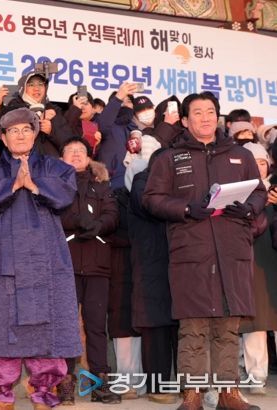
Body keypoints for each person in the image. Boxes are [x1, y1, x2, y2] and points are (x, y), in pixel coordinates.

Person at [143, 92, 266, 410]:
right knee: (193, 327)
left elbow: (259, 192)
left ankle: (229, 394)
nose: (205, 117)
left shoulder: (240, 155)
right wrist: (186, 208)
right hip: (191, 252)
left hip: (232, 251)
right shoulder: (169, 158)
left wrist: (249, 209)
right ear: (185, 120)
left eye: (210, 111)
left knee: (228, 327)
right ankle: (193, 394)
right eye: (197, 112)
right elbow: (152, 199)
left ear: (218, 117)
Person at [0, 108, 81, 410]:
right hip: (2, 260)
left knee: (48, 329)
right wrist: (12, 184)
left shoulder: (53, 167)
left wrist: (33, 185)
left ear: (35, 134)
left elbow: (65, 195)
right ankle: (3, 394)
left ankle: (43, 393)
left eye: (26, 129)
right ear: (3, 138)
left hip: (47, 260)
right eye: (13, 131)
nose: (20, 135)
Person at [58, 137, 120, 405]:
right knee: (66, 326)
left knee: (96, 325)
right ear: (61, 158)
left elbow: (113, 214)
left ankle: (100, 384)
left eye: (81, 151)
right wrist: (75, 221)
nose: (76, 154)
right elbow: (52, 212)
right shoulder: (56, 184)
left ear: (89, 157)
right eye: (70, 150)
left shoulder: (102, 185)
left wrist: (98, 226)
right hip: (66, 264)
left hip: (97, 263)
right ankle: (64, 383)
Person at [128, 148, 179, 405]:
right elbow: (151, 207)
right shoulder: (142, 182)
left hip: (179, 263)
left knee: (183, 328)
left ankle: (190, 386)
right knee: (156, 327)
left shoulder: (180, 184)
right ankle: (157, 387)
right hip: (152, 264)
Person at [238, 142, 277, 395]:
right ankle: (256, 376)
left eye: (262, 162)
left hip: (273, 260)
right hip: (252, 261)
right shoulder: (239, 193)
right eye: (253, 162)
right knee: (256, 322)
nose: (259, 167)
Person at [0, 72, 73, 157]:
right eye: (31, 85)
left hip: (51, 163)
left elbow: (69, 143)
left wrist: (51, 131)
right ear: (23, 88)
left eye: (40, 84)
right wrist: (37, 119)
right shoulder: (13, 109)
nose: (36, 88)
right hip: (24, 162)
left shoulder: (54, 110)